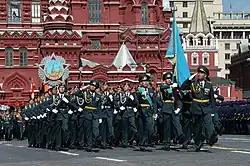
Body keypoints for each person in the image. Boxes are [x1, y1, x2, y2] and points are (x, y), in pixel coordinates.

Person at [181, 65, 218, 152]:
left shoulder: (209, 85)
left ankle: (212, 138)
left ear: (205, 75)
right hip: (196, 108)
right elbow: (183, 87)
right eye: (199, 72)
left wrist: (213, 110)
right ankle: (198, 143)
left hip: (206, 107)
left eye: (202, 73)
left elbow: (212, 98)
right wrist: (189, 79)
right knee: (197, 128)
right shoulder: (193, 83)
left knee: (209, 124)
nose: (199, 74)